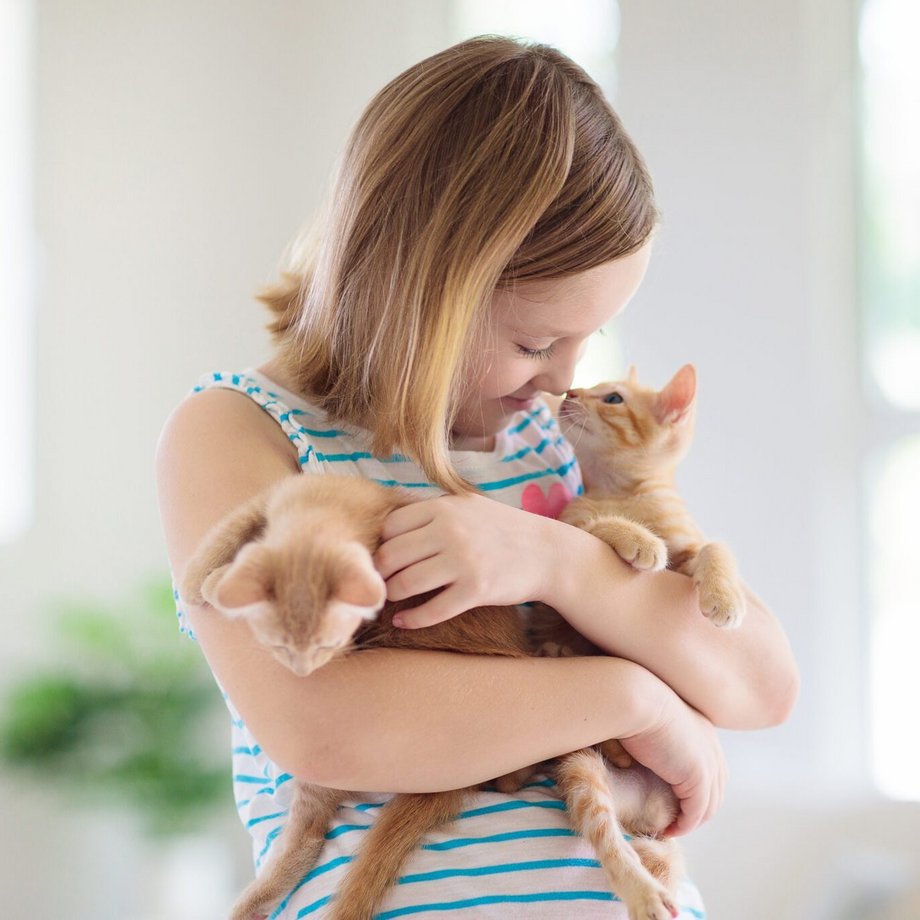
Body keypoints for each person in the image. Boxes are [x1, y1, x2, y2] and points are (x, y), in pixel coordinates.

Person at [155, 35, 798, 919]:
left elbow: (759, 686)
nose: (562, 379)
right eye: (536, 342)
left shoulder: (557, 443)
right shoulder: (240, 430)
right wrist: (633, 700)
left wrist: (555, 563)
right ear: (412, 284)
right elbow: (329, 728)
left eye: (588, 342)